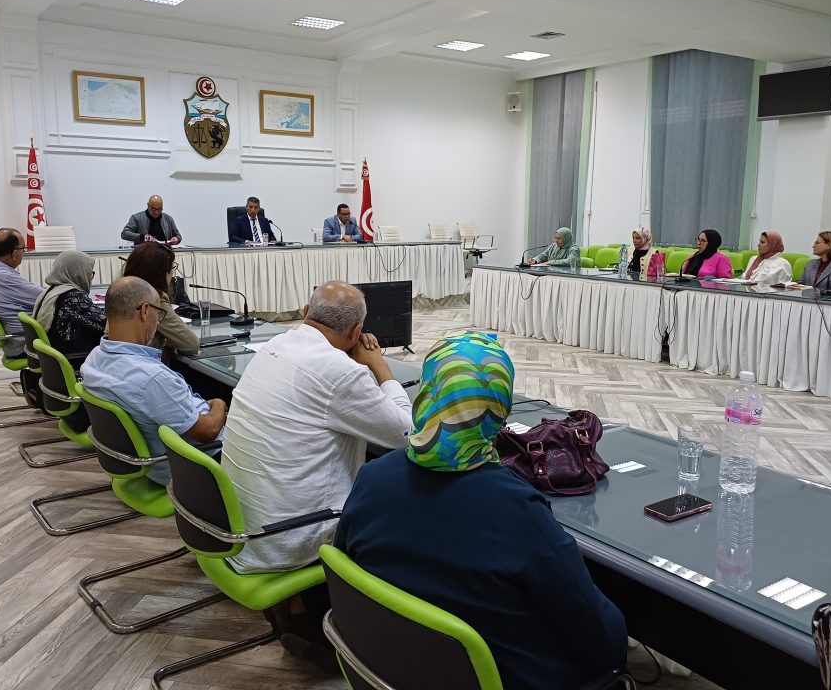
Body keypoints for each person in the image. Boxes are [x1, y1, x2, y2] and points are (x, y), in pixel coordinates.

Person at [334, 332, 628, 690]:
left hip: (392, 667)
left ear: (426, 393)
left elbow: (349, 569)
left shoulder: (372, 478)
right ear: (500, 410)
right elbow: (603, 643)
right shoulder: (518, 511)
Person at [222, 281, 412, 574]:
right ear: (356, 332)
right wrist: (379, 367)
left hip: (240, 527)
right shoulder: (340, 372)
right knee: (404, 501)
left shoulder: (274, 345)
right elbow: (404, 434)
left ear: (305, 311)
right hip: (290, 539)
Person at [80, 277, 225, 486]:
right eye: (159, 313)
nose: (158, 322)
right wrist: (219, 404)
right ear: (146, 311)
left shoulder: (95, 358)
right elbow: (208, 432)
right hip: (194, 466)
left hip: (151, 461)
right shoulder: (151, 379)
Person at [0, 228, 43, 358]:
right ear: (15, 253)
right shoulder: (3, 277)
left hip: (16, 342)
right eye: (24, 249)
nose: (24, 253)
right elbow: (47, 298)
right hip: (29, 345)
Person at [121, 242, 198, 354]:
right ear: (162, 274)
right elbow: (191, 344)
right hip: (144, 362)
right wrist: (171, 339)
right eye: (172, 267)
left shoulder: (122, 293)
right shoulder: (154, 299)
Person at [32, 250, 105, 356]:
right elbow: (105, 324)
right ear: (79, 272)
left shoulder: (52, 290)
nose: (90, 278)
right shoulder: (72, 296)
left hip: (57, 352)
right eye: (89, 273)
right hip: (76, 357)